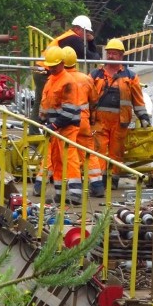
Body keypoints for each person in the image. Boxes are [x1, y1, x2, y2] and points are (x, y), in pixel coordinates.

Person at [91, 39, 151, 185]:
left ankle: (113, 180)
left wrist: (143, 116)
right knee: (99, 150)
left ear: (121, 56)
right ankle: (99, 182)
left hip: (120, 122)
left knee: (116, 152)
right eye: (109, 53)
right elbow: (86, 97)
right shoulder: (95, 74)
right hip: (99, 121)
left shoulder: (130, 76)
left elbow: (137, 99)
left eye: (115, 54)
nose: (111, 56)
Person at [31, 15, 100, 121]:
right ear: (77, 29)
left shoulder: (68, 37)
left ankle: (36, 128)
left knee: (40, 100)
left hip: (42, 69)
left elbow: (91, 57)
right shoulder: (73, 39)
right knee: (47, 100)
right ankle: (46, 125)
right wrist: (91, 42)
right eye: (85, 32)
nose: (87, 35)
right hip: (46, 70)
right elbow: (92, 57)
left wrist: (90, 41)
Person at [38, 45, 83, 205]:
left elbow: (69, 110)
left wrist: (54, 125)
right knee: (56, 158)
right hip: (54, 126)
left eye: (55, 65)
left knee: (68, 156)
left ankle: (75, 194)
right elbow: (46, 102)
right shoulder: (51, 80)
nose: (52, 68)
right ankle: (60, 193)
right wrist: (42, 118)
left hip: (67, 126)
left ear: (63, 63)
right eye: (50, 66)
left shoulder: (68, 82)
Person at [62, 46, 105, 197]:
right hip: (84, 122)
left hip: (66, 124)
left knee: (69, 154)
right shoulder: (86, 79)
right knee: (89, 153)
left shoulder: (59, 80)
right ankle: (98, 186)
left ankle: (73, 189)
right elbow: (94, 100)